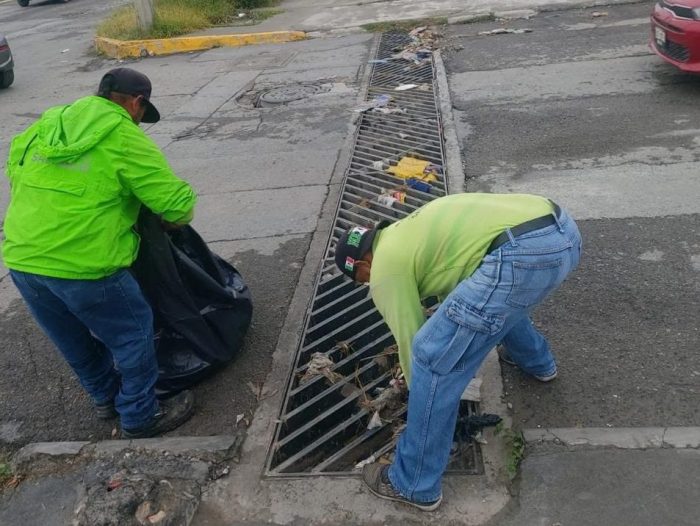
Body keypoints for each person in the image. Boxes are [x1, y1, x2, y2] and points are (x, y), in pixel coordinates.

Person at [334, 192, 582, 510]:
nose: (369, 284)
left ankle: (413, 484)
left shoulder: (383, 270)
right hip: (561, 230)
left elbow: (415, 343)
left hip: (519, 256)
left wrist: (420, 390)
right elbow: (466, 282)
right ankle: (538, 363)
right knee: (500, 298)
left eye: (363, 280)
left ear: (364, 265)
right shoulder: (407, 231)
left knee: (431, 359)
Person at [2, 68, 198, 439]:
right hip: (86, 265)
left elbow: (16, 171)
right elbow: (176, 205)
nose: (140, 121)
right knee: (133, 334)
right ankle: (140, 415)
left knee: (71, 338)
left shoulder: (43, 126)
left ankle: (104, 398)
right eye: (142, 113)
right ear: (137, 104)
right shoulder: (123, 134)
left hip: (23, 258)